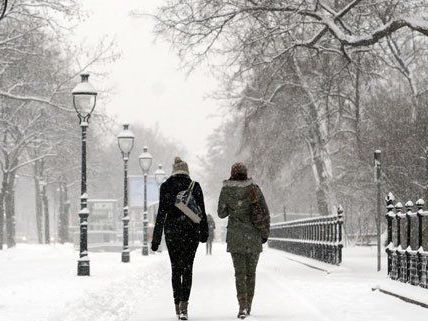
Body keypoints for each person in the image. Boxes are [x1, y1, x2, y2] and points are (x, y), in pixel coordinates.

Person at [151, 157, 209, 321]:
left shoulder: (166, 186)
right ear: (187, 171)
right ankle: (184, 305)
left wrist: (156, 239)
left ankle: (177, 305)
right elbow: (202, 212)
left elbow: (161, 214)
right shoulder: (194, 186)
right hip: (191, 233)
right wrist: (204, 232)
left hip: (172, 233)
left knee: (176, 269)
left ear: (173, 170)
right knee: (188, 268)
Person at [218, 162, 270, 319]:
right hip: (253, 236)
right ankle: (249, 306)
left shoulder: (226, 190)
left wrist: (232, 206)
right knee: (251, 273)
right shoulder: (254, 189)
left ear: (232, 173)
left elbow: (221, 213)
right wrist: (265, 232)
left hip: (235, 238)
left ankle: (242, 306)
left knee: (240, 273)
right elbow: (265, 211)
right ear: (245, 173)